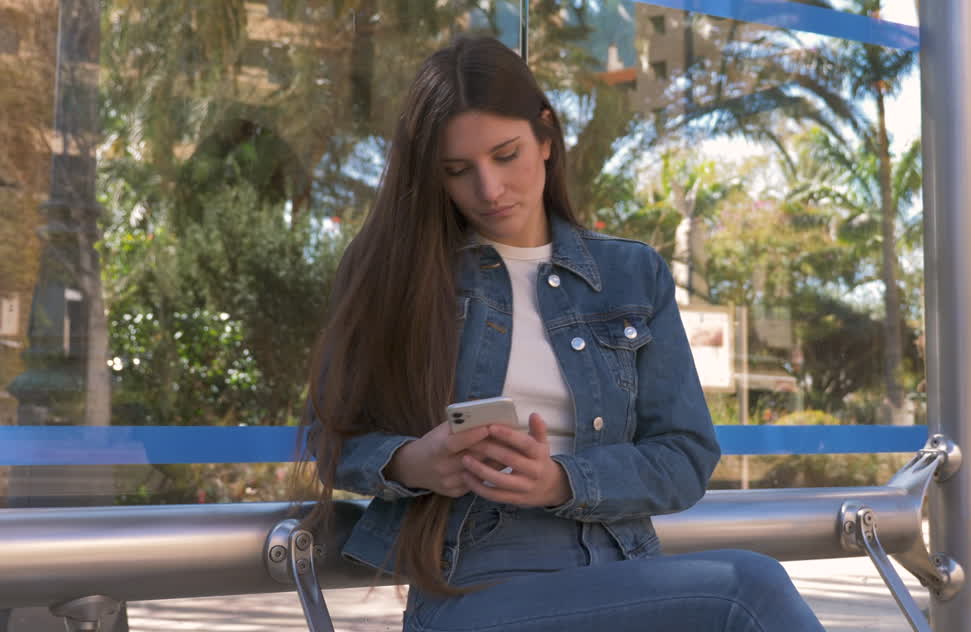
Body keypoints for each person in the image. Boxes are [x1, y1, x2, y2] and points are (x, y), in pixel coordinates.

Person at [302, 35, 826, 632]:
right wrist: (412, 463)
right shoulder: (394, 273)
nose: (489, 189)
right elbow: (329, 439)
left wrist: (560, 479)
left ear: (546, 137)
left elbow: (686, 456)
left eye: (506, 155)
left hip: (622, 567)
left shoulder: (630, 274)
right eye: (458, 170)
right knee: (747, 590)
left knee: (749, 592)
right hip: (472, 581)